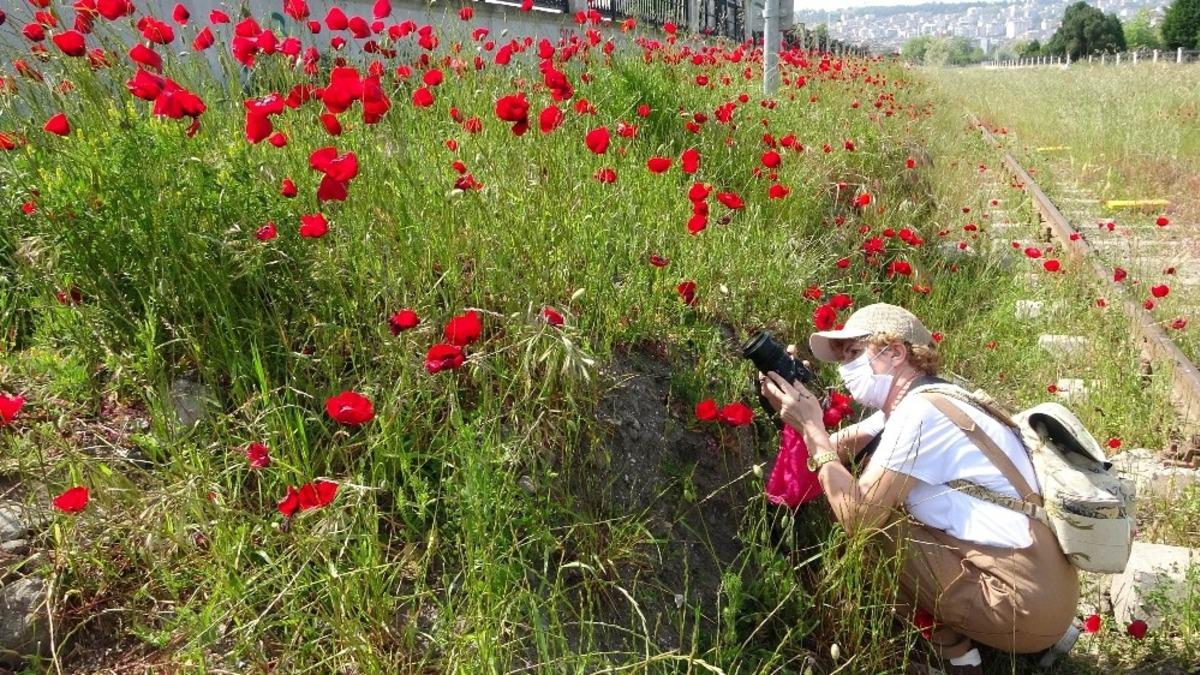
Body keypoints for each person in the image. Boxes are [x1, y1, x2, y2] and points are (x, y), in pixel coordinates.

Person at [758, 302, 1080, 674]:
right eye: (842, 357)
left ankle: (958, 659)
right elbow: (835, 450)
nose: (845, 368)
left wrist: (813, 428)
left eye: (854, 353)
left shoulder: (921, 414)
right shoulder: (931, 400)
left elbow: (858, 517)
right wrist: (794, 405)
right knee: (861, 488)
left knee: (871, 521)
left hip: (1020, 601)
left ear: (895, 352)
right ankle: (998, 645)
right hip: (1044, 588)